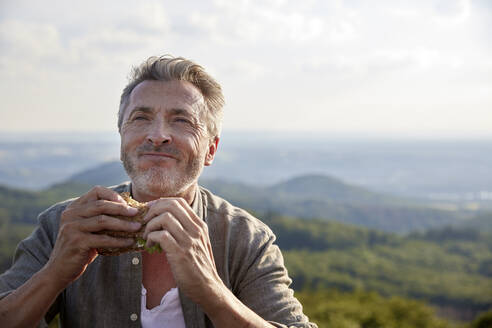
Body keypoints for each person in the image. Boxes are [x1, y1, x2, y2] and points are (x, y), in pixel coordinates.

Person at [0, 55, 317, 328]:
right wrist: (55, 272)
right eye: (141, 118)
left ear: (211, 149)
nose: (158, 135)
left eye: (181, 120)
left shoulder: (246, 240)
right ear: (123, 137)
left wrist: (210, 290)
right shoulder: (64, 225)